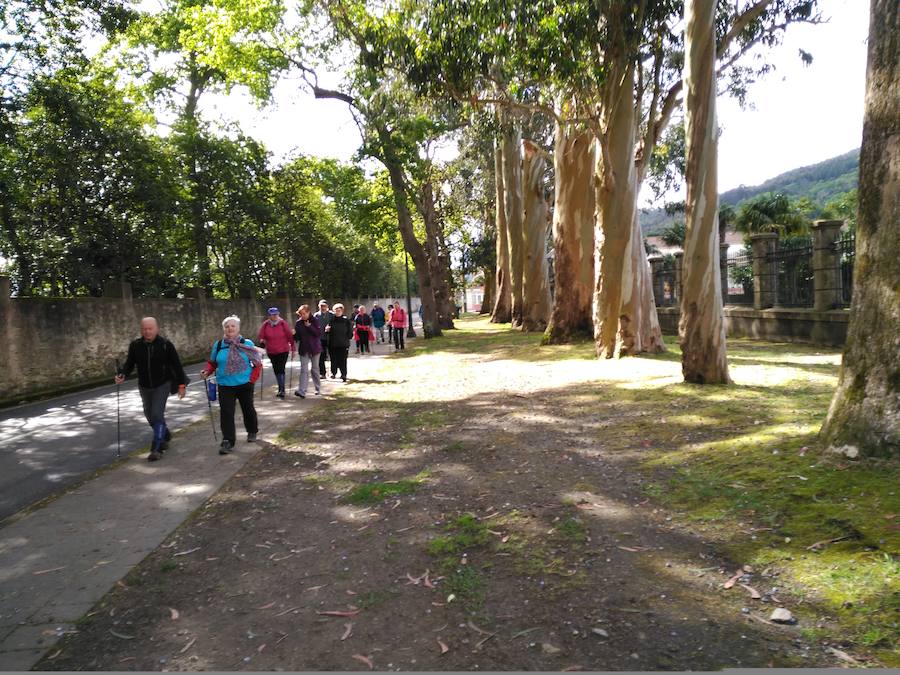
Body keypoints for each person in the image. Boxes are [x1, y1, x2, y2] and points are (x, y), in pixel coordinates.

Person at [115, 317, 188, 462]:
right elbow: (130, 364)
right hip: (144, 386)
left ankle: (157, 448)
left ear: (156, 329)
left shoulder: (166, 345)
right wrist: (122, 374)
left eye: (150, 328)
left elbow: (177, 366)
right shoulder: (135, 345)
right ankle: (165, 434)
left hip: (162, 384)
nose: (147, 331)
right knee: (149, 415)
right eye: (144, 329)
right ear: (141, 329)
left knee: (156, 414)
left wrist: (181, 385)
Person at [200, 315, 261, 455]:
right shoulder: (219, 345)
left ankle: (252, 431)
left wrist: (252, 379)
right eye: (227, 326)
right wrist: (207, 371)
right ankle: (227, 441)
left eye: (233, 326)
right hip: (225, 384)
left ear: (238, 328)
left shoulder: (247, 344)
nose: (230, 328)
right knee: (226, 413)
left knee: (248, 409)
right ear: (224, 329)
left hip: (244, 384)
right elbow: (213, 362)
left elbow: (257, 363)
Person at [257, 307, 294, 399]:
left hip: (283, 350)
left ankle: (282, 389)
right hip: (271, 351)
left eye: (276, 314)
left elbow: (289, 335)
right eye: (273, 315)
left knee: (281, 368)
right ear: (269, 316)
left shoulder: (282, 323)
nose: (275, 316)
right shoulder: (265, 324)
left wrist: (293, 347)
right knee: (276, 369)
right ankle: (280, 388)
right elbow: (261, 335)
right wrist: (262, 341)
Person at [293, 304, 322, 398]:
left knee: (314, 369)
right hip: (304, 349)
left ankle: (318, 388)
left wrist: (309, 327)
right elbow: (298, 338)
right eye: (301, 314)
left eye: (304, 313)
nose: (302, 316)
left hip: (315, 349)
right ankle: (302, 391)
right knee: (304, 370)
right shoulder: (298, 323)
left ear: (309, 312)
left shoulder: (315, 320)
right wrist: (293, 335)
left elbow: (318, 334)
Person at [327, 303, 353, 381]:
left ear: (342, 311)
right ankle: (333, 373)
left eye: (339, 310)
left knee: (343, 360)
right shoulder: (331, 320)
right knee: (333, 359)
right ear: (334, 311)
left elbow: (350, 332)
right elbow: (328, 331)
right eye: (336, 310)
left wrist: (347, 338)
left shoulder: (346, 320)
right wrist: (327, 331)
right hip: (333, 344)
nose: (338, 312)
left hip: (343, 344)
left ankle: (343, 374)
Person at [313, 300, 333, 378]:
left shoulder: (331, 315)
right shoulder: (316, 315)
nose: (323, 308)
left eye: (324, 306)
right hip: (320, 338)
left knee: (332, 356)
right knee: (321, 356)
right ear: (319, 307)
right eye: (321, 306)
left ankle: (332, 372)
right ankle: (323, 373)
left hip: (330, 338)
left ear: (327, 307)